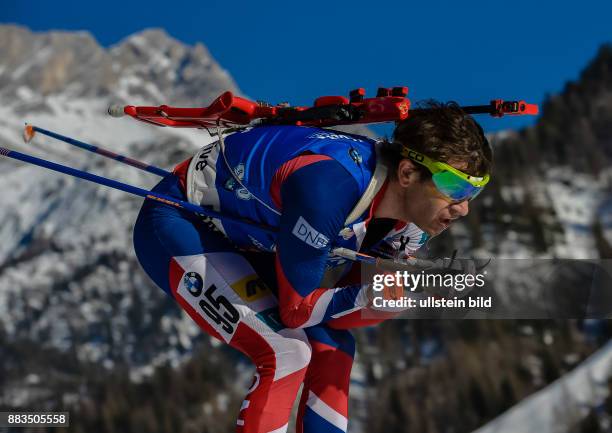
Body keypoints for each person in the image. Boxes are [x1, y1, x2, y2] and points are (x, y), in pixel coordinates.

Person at [132, 100, 492, 433]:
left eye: (474, 192)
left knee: (333, 345)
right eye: (453, 186)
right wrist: (368, 295)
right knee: (286, 350)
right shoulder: (328, 187)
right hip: (178, 222)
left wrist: (389, 300)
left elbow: (338, 316)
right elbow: (297, 311)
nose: (463, 208)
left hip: (247, 241)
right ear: (408, 173)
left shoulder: (414, 223)